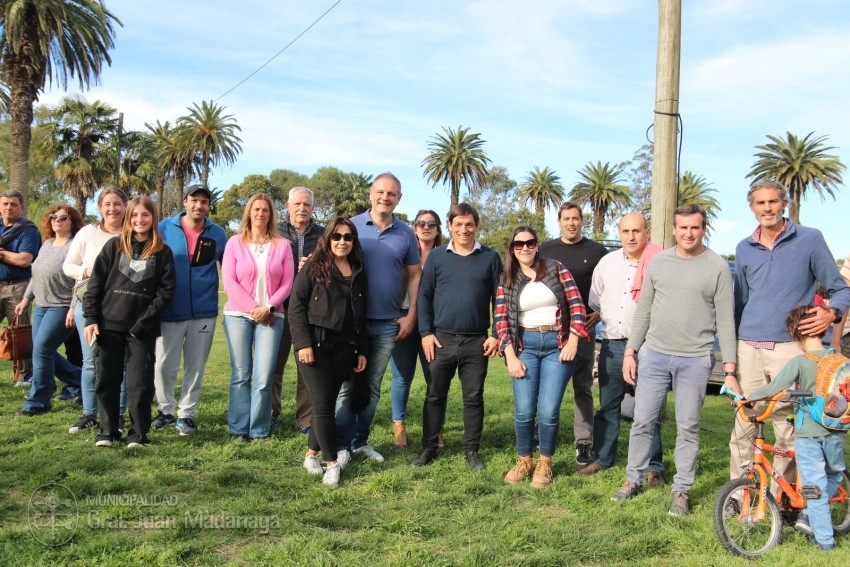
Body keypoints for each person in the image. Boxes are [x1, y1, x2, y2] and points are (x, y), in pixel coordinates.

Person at [611, 204, 736, 517]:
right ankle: (633, 478)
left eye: (694, 227)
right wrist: (631, 351)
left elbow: (725, 319)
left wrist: (730, 368)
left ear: (703, 229)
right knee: (642, 421)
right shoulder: (660, 262)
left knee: (688, 427)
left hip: (695, 360)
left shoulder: (717, 266)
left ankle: (681, 490)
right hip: (654, 355)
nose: (688, 233)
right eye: (683, 228)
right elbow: (645, 310)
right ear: (674, 230)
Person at [726, 180, 850, 487]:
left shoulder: (809, 239)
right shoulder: (744, 248)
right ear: (751, 207)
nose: (767, 208)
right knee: (745, 419)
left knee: (789, 424)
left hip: (791, 349)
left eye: (772, 202)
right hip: (749, 347)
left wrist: (831, 312)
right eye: (760, 203)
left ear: (784, 204)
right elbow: (740, 302)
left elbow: (840, 288)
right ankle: (740, 494)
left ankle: (782, 496)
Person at [744, 305, 846, 551]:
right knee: (834, 474)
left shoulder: (800, 361)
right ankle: (813, 513)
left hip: (809, 435)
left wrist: (747, 399)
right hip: (836, 431)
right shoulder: (838, 358)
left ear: (795, 335)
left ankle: (824, 540)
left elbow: (772, 388)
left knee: (814, 489)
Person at [335, 172, 420, 464]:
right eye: (380, 192)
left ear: (399, 198)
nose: (385, 197)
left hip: (387, 322)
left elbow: (413, 275)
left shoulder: (406, 233)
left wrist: (410, 315)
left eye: (391, 194)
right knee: (347, 385)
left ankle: (360, 441)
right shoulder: (352, 227)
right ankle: (341, 443)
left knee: (372, 385)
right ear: (371, 194)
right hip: (351, 322)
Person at [495, 226, 589, 487]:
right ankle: (524, 459)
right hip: (525, 346)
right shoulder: (507, 279)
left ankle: (545, 462)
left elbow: (577, 306)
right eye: (518, 244)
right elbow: (501, 320)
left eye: (530, 242)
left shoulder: (556, 269)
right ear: (512, 249)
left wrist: (573, 340)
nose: (524, 248)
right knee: (524, 411)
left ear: (537, 245)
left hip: (557, 345)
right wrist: (511, 357)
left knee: (548, 411)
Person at [411, 203, 503, 470]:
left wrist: (496, 334)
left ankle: (472, 451)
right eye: (458, 224)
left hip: (477, 341)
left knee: (473, 398)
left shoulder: (490, 257)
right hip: (441, 340)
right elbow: (424, 297)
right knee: (434, 395)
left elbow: (500, 300)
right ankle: (428, 447)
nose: (464, 229)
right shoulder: (438, 257)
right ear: (450, 226)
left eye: (469, 224)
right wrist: (426, 333)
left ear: (477, 226)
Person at [578, 213, 665, 484]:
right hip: (613, 346)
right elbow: (596, 300)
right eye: (626, 231)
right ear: (619, 232)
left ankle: (653, 467)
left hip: (649, 347)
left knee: (648, 409)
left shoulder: (659, 263)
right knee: (608, 406)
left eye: (636, 231)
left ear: (646, 232)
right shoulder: (607, 263)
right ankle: (604, 457)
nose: (631, 236)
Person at [83, 195, 176, 448]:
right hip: (108, 326)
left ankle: (137, 435)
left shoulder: (162, 252)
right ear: (128, 218)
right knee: (107, 381)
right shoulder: (113, 247)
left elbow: (165, 292)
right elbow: (95, 286)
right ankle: (108, 432)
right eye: (134, 215)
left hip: (140, 332)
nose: (139, 220)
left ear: (153, 218)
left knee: (140, 386)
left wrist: (142, 324)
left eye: (145, 215)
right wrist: (91, 318)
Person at [289, 218, 368, 487]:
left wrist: (361, 349)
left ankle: (311, 454)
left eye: (348, 237)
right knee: (322, 405)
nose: (342, 241)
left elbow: (361, 312)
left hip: (346, 347)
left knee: (327, 404)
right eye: (336, 236)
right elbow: (296, 306)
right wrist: (303, 344)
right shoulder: (314, 266)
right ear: (328, 239)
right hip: (316, 346)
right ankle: (331, 462)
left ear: (354, 241)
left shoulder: (357, 269)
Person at [152, 184, 227, 435]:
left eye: (204, 202)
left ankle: (187, 414)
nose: (199, 205)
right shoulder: (164, 228)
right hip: (169, 309)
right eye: (194, 200)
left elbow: (229, 267)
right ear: (184, 201)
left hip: (204, 312)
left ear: (209, 206)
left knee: (195, 366)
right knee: (164, 365)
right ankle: (165, 411)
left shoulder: (218, 233)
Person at [539, 202, 608, 466]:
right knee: (546, 388)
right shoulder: (546, 250)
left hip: (583, 331)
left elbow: (608, 288)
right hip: (551, 330)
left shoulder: (597, 252)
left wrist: (599, 313)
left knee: (582, 387)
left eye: (576, 219)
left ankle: (583, 443)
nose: (571, 223)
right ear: (559, 221)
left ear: (582, 221)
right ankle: (540, 433)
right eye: (566, 218)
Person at [222, 193, 294, 441]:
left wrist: (269, 308)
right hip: (238, 316)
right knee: (241, 374)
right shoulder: (234, 243)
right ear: (249, 213)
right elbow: (229, 281)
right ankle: (238, 428)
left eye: (265, 210)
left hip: (273, 317)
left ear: (271, 214)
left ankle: (259, 429)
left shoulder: (282, 245)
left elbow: (287, 283)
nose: (261, 213)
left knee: (264, 376)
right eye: (256, 209)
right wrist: (255, 308)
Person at [63, 187, 129, 434]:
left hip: (120, 307)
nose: (112, 209)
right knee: (90, 362)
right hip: (88, 303)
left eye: (117, 204)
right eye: (107, 204)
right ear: (100, 207)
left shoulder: (132, 234)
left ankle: (118, 415)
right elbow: (68, 266)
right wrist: (87, 272)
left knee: (119, 363)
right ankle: (89, 414)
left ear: (125, 206)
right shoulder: (87, 233)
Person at [15, 205, 84, 415]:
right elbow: (37, 275)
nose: (58, 220)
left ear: (72, 222)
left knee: (42, 350)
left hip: (62, 306)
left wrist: (73, 306)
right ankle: (86, 381)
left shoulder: (76, 246)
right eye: (54, 217)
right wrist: (26, 299)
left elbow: (80, 279)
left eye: (64, 218)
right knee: (43, 351)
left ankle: (38, 403)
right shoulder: (46, 244)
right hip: (41, 306)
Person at [389, 209, 444, 449]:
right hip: (403, 320)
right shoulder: (402, 255)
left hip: (434, 325)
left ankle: (436, 430)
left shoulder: (445, 256)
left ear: (438, 229)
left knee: (436, 380)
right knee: (402, 378)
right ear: (414, 228)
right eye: (420, 223)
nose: (425, 227)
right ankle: (399, 427)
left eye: (431, 223)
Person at [272, 187, 325, 433]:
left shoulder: (324, 235)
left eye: (307, 205)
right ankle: (270, 412)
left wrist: (315, 267)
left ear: (313, 208)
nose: (302, 209)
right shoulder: (275, 231)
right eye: (297, 204)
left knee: (307, 365)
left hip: (311, 312)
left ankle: (305, 419)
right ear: (288, 205)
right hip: (279, 309)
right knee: (273, 364)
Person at [0, 189, 41, 385]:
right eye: (5, 204)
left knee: (20, 332)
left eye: (13, 204)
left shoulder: (28, 230)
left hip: (18, 287)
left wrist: (2, 254)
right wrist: (9, 255)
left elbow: (24, 259)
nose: (9, 207)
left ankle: (25, 376)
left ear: (21, 207)